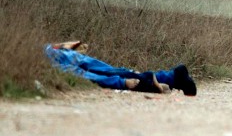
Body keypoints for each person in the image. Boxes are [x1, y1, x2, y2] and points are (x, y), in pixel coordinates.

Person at [44, 41, 197, 96]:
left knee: (96, 66)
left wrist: (62, 46)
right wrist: (122, 84)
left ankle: (168, 78)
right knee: (83, 70)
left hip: (49, 51)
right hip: (46, 56)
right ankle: (142, 81)